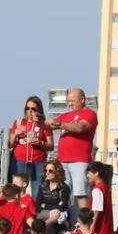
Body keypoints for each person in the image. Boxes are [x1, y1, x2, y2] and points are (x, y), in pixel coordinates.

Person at [45, 88, 97, 217]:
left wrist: (60, 124)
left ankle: (85, 221)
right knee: (62, 193)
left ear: (82, 100)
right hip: (62, 161)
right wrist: (46, 121)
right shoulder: (66, 115)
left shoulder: (89, 114)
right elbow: (50, 123)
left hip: (79, 160)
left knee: (81, 192)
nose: (70, 104)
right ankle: (64, 221)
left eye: (73, 101)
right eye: (68, 101)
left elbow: (80, 127)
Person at [8, 96, 52, 200]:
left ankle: (34, 213)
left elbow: (50, 145)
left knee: (37, 190)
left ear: (39, 110)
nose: (30, 111)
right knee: (16, 189)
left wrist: (40, 142)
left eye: (33, 109)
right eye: (27, 108)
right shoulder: (18, 122)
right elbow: (10, 144)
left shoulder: (44, 124)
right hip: (19, 160)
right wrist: (15, 135)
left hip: (38, 161)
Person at [36, 161, 71, 234]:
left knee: (49, 225)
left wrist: (45, 205)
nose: (47, 173)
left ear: (57, 172)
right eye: (46, 170)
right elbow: (38, 205)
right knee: (40, 221)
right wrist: (54, 206)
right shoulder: (42, 186)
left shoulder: (64, 188)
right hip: (44, 214)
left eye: (50, 171)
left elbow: (62, 207)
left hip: (58, 217)